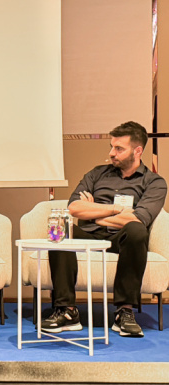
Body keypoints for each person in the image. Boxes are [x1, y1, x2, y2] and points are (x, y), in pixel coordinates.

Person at [43, 121, 167, 338]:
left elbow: (138, 219)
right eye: (111, 147)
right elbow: (74, 208)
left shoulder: (154, 182)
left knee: (137, 231)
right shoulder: (97, 174)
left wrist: (95, 213)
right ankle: (67, 311)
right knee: (61, 231)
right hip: (89, 235)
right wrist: (115, 209)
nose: (111, 153)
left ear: (137, 151)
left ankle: (124, 312)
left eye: (119, 149)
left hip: (122, 239)